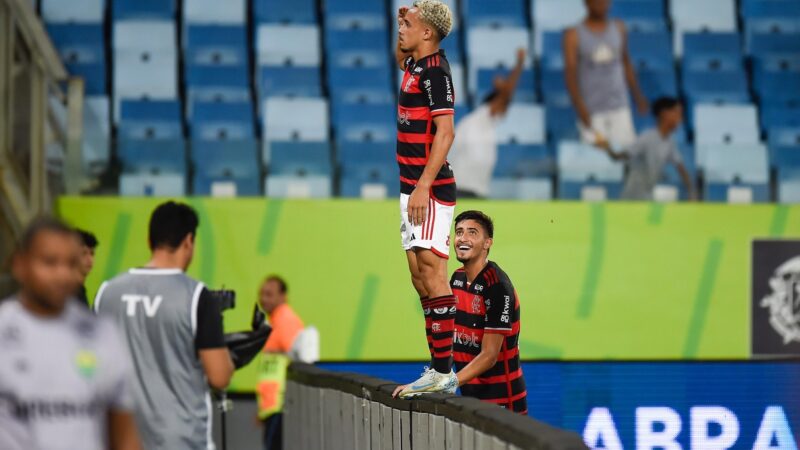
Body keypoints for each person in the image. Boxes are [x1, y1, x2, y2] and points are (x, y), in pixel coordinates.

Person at [95, 201, 234, 450]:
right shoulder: (196, 296)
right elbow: (219, 376)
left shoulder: (107, 293)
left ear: (150, 241)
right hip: (181, 439)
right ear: (189, 241)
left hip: (120, 438)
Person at [0, 218, 141, 450]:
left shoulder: (102, 333)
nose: (62, 274)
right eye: (50, 262)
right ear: (20, 265)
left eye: (70, 263)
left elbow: (123, 429)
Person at [395, 211, 527, 414]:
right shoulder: (456, 278)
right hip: (470, 402)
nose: (463, 238)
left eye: (472, 233)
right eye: (458, 232)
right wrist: (430, 379)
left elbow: (489, 356)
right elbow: (450, 338)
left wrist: (450, 382)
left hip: (503, 405)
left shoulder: (498, 286)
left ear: (487, 243)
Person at [394, 0, 460, 397]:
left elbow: (446, 133)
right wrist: (408, 17)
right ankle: (438, 368)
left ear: (428, 35)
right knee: (419, 278)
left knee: (434, 275)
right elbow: (402, 46)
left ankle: (443, 373)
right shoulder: (414, 65)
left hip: (428, 189)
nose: (402, 27)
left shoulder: (436, 73)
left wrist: (422, 186)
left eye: (410, 23)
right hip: (410, 188)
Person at [564, 0, 649, 149]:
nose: (601, 5)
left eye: (605, 2)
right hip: (592, 110)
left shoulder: (619, 28)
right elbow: (570, 74)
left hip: (620, 106)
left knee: (626, 156)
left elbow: (626, 62)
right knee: (596, 160)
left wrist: (637, 96)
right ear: (586, 3)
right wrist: (579, 106)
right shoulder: (573, 35)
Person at [449, 48, 526, 199]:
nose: (505, 108)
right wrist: (519, 65)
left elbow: (505, 97)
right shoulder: (479, 119)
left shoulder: (486, 122)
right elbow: (505, 95)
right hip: (463, 190)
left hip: (474, 190)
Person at [595, 97, 695, 201]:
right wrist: (608, 148)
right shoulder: (647, 138)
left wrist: (691, 191)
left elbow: (680, 167)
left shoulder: (670, 142)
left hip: (648, 197)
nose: (680, 119)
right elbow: (619, 156)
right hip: (632, 198)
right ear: (664, 114)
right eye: (677, 113)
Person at [258, 275, 304, 450]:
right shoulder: (274, 321)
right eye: (261, 294)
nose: (263, 299)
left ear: (283, 296)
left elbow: (298, 359)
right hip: (272, 406)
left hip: (281, 404)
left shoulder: (286, 320)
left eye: (269, 294)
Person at [75, 228, 98, 307]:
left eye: (92, 253)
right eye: (84, 253)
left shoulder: (81, 291)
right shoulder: (65, 294)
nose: (89, 259)